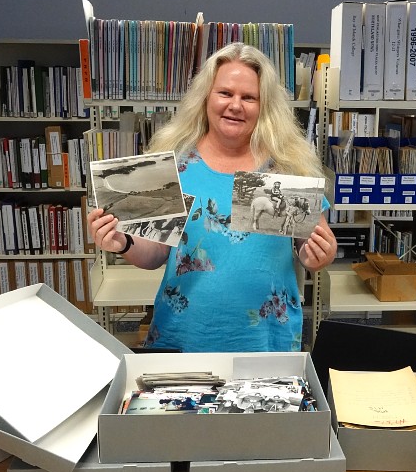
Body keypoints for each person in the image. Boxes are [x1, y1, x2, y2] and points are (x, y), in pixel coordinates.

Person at [87, 42, 337, 353]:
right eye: (225, 93)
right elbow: (153, 254)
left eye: (249, 97)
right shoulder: (175, 163)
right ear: (206, 97)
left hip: (265, 342)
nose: (236, 105)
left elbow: (310, 245)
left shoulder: (286, 166)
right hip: (184, 337)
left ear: (265, 106)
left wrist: (320, 255)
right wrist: (121, 242)